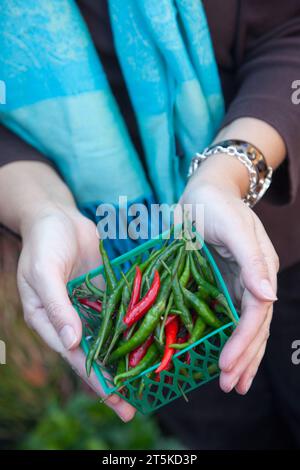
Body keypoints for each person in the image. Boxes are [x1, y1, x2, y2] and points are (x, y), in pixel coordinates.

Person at [0, 0, 299, 448]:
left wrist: (222, 178)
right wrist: (41, 210)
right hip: (112, 268)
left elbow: (288, 32)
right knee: (221, 432)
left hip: (271, 234)